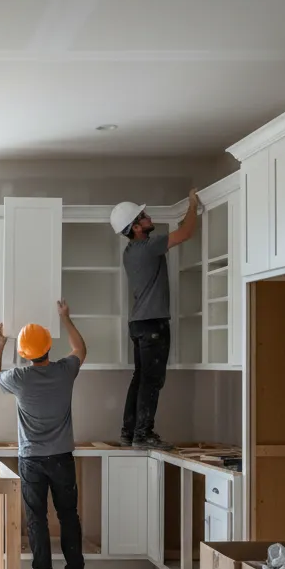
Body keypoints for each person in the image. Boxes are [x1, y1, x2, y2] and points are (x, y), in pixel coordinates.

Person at [0, 300, 88, 569]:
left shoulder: (19, 378)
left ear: (23, 353)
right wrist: (66, 318)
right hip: (62, 458)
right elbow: (80, 349)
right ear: (48, 348)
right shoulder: (65, 371)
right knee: (68, 515)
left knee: (36, 517)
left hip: (32, 459)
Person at [110, 188, 202, 448]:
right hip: (153, 323)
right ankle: (143, 435)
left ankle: (129, 432)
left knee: (140, 377)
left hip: (139, 323)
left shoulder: (131, 251)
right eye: (144, 216)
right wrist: (193, 205)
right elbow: (185, 233)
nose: (149, 217)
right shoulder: (149, 247)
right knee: (152, 380)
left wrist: (188, 212)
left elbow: (179, 232)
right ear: (137, 227)